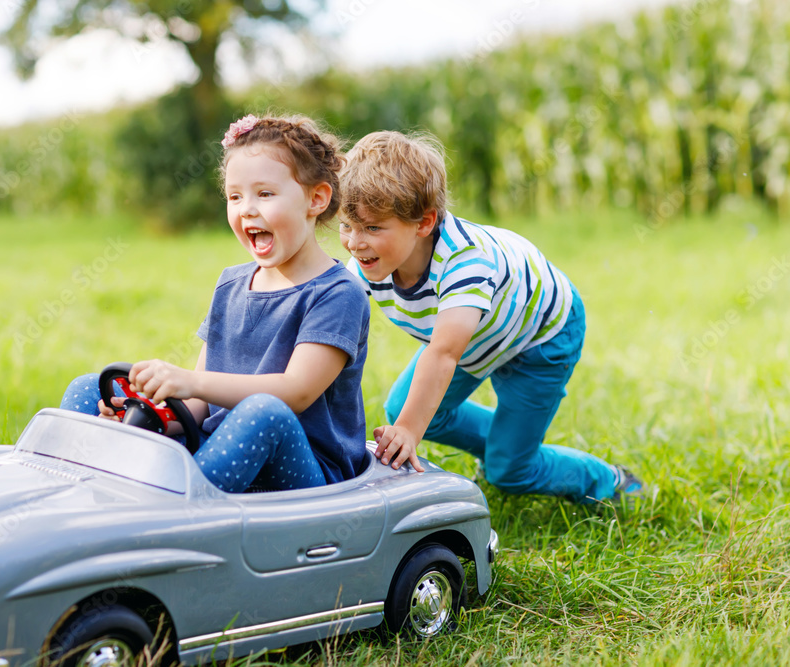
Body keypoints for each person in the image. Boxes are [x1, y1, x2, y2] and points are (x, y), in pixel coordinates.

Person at [60, 114, 370, 493]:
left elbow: (297, 391)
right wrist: (137, 421)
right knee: (88, 389)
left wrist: (191, 382)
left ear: (316, 199)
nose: (246, 209)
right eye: (235, 196)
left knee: (264, 412)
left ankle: (174, 509)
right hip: (220, 449)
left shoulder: (338, 293)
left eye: (265, 194)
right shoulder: (231, 284)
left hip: (306, 476)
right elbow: (198, 410)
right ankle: (75, 491)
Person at [337, 130, 641, 503]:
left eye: (372, 227)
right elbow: (331, 324)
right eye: (346, 226)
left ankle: (610, 482)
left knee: (509, 471)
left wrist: (408, 432)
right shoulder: (368, 262)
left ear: (424, 223)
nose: (354, 241)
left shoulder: (465, 261)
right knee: (404, 407)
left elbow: (444, 353)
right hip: (477, 336)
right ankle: (500, 444)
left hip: (540, 336)